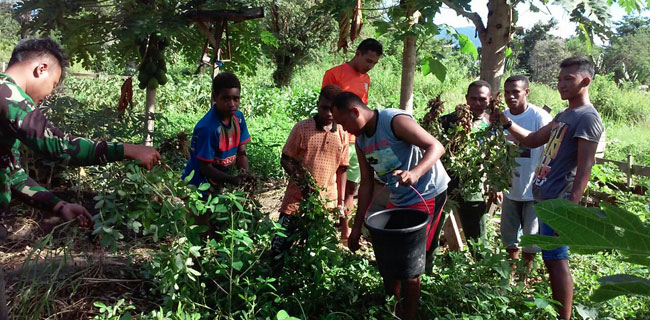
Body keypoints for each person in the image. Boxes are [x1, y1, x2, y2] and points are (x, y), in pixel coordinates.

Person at [0, 38, 161, 319]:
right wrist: (127, 150)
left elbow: (12, 173)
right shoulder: (7, 94)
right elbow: (57, 145)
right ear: (41, 68)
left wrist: (60, 206)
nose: (50, 94)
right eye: (54, 83)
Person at [492, 57, 604, 319]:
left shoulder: (587, 118)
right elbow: (532, 140)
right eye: (560, 78)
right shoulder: (565, 115)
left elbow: (584, 169)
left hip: (559, 203)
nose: (561, 84)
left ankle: (563, 317)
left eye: (569, 79)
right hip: (544, 197)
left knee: (556, 259)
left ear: (586, 81)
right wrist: (506, 123)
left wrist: (570, 210)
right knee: (551, 259)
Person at [331, 92, 449, 320]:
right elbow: (366, 185)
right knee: (390, 255)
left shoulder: (394, 121)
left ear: (355, 112)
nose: (344, 129)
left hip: (427, 192)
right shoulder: (363, 142)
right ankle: (393, 310)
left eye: (344, 122)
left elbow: (436, 146)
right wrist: (356, 227)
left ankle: (409, 315)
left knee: (409, 261)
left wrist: (415, 173)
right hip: (399, 197)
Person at [271, 85, 349, 259]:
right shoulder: (302, 128)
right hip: (296, 199)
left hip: (326, 202)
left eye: (332, 109)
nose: (328, 113)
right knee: (280, 245)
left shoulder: (342, 133)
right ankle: (274, 278)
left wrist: (341, 202)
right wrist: (303, 185)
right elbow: (286, 159)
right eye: (324, 108)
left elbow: (342, 169)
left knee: (316, 249)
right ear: (317, 104)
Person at [322, 38, 382, 241]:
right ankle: (325, 226)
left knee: (351, 187)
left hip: (355, 139)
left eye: (374, 63)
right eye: (367, 60)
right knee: (330, 184)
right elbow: (326, 107)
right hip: (336, 137)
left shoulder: (366, 79)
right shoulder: (334, 74)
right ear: (357, 53)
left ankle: (346, 232)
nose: (370, 66)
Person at [181, 72, 252, 229]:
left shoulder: (238, 119)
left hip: (218, 184)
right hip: (197, 188)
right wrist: (232, 180)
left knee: (219, 231)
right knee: (199, 233)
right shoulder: (208, 128)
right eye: (226, 98)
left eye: (236, 99)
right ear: (214, 96)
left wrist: (245, 175)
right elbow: (205, 168)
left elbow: (242, 153)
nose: (232, 104)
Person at [501, 75, 552, 278]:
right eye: (507, 92)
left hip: (533, 190)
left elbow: (550, 152)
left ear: (526, 92)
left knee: (531, 239)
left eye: (516, 92)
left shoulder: (539, 117)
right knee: (509, 237)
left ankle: (525, 278)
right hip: (509, 188)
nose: (511, 96)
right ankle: (510, 277)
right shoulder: (502, 116)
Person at [439, 80, 492, 251]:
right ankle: (425, 269)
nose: (477, 103)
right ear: (466, 98)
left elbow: (493, 158)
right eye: (473, 98)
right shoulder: (446, 122)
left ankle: (481, 270)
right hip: (444, 182)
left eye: (482, 99)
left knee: (477, 235)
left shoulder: (491, 125)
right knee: (433, 228)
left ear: (489, 100)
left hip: (472, 185)